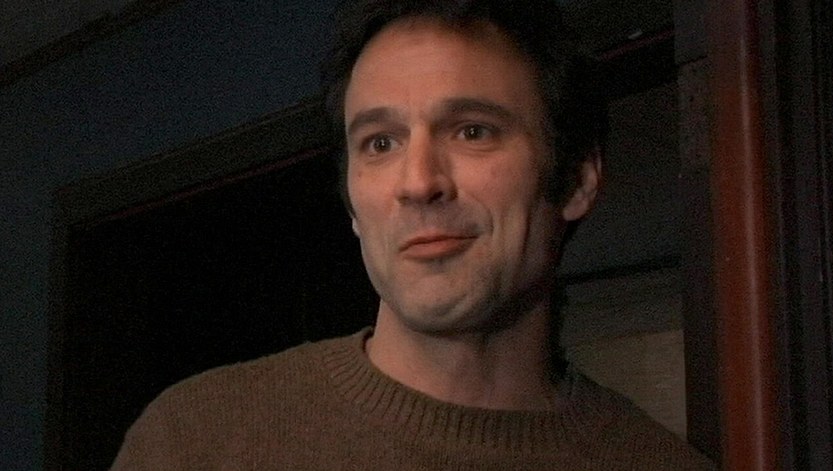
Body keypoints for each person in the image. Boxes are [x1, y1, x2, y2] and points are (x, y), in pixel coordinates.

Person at [111, 0, 714, 469]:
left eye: (473, 131)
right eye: (380, 143)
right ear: (353, 204)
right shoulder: (195, 439)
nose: (418, 182)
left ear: (577, 180)